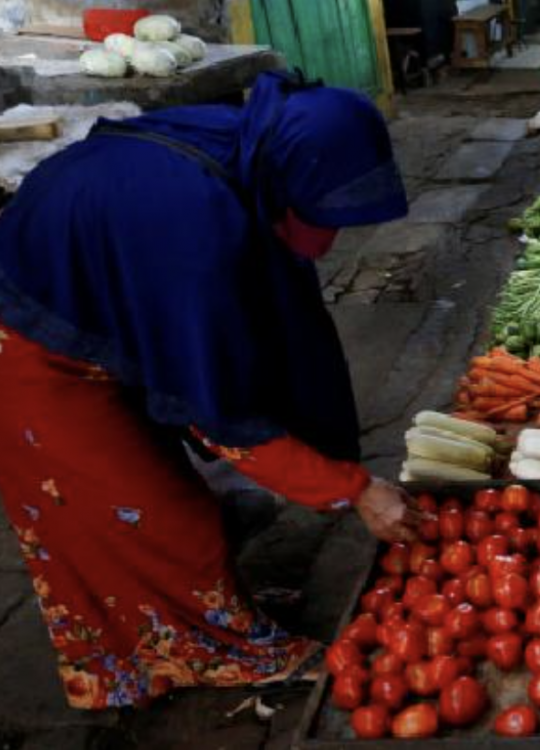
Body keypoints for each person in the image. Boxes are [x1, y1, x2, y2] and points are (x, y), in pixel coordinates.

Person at [0, 71, 424, 709]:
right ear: (293, 176)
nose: (331, 238)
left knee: (145, 499)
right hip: (34, 345)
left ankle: (192, 615)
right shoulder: (192, 231)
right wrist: (353, 489)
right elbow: (219, 412)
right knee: (144, 516)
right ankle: (207, 653)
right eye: (322, 213)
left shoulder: (247, 145)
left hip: (90, 300)